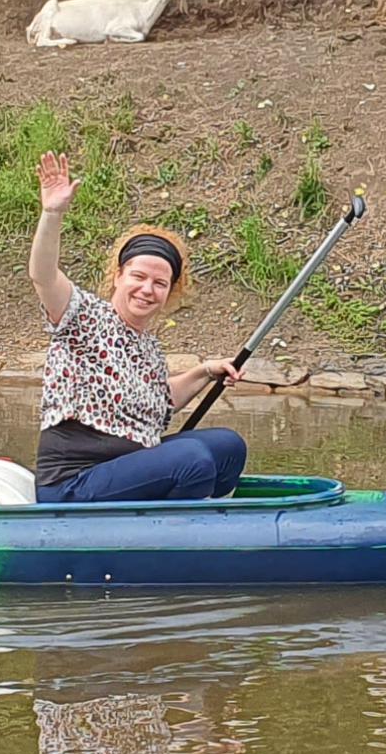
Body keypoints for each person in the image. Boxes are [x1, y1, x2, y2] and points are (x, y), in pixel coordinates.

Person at [25, 149, 249, 503]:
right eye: (138, 277)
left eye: (160, 283)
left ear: (169, 291)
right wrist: (52, 214)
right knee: (193, 462)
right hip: (74, 483)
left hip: (128, 468)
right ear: (118, 276)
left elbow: (161, 400)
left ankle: (205, 515)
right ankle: (177, 537)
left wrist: (206, 371)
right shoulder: (82, 315)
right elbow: (42, 275)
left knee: (228, 447)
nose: (147, 289)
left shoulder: (148, 346)